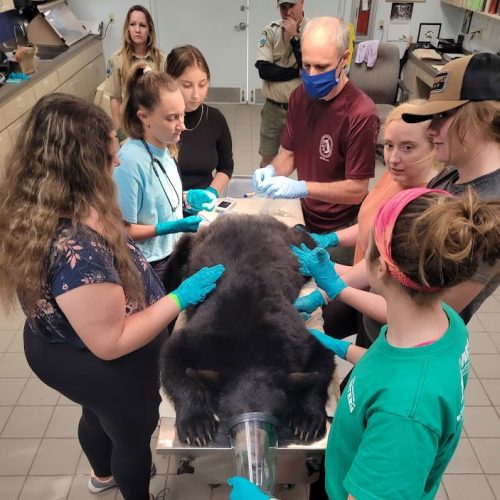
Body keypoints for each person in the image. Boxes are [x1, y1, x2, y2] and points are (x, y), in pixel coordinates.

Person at [0, 93, 225, 500]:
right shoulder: (76, 251)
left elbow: (120, 230)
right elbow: (111, 342)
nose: (117, 161)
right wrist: (179, 296)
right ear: (78, 168)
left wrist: (182, 207)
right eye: (108, 156)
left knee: (97, 410)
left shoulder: (55, 201)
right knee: (132, 431)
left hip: (67, 344)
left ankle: (102, 475)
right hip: (99, 356)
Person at [229, 187, 500, 499]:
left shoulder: (403, 414)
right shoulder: (445, 324)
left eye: (367, 241)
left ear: (380, 267)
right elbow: (392, 364)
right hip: (352, 464)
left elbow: (402, 394)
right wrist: (334, 343)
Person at [296, 100, 443, 338]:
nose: (393, 158)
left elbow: (377, 265)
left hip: (384, 306)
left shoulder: (421, 207)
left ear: (434, 147)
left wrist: (326, 288)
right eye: (389, 145)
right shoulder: (396, 176)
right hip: (363, 282)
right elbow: (370, 224)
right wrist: (328, 239)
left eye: (408, 148)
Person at [253, 17, 379, 265]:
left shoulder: (360, 113)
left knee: (325, 291)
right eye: (306, 65)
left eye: (321, 67)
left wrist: (303, 187)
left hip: (340, 229)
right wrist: (270, 171)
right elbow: (288, 155)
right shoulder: (300, 97)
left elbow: (356, 190)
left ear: (344, 59)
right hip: (304, 215)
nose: (311, 75)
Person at [114, 63, 218, 287]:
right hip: (148, 265)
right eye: (171, 118)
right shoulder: (129, 163)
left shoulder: (165, 147)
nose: (181, 125)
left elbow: (154, 198)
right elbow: (121, 230)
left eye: (182, 115)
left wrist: (186, 198)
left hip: (172, 252)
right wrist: (167, 228)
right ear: (144, 117)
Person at [165, 45, 234, 195]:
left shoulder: (215, 120)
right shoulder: (159, 122)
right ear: (170, 81)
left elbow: (226, 167)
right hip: (166, 206)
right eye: (187, 85)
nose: (196, 94)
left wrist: (210, 192)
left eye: (202, 84)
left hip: (202, 208)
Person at [255, 0, 309, 167]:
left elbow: (309, 69)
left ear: (302, 2)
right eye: (283, 7)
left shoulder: (314, 31)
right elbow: (264, 70)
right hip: (273, 108)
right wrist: (296, 72)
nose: (287, 12)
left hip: (303, 109)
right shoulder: (270, 31)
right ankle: (264, 193)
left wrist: (294, 38)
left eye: (291, 6)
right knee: (267, 158)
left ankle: (303, 192)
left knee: (303, 158)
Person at [104, 5, 166, 140]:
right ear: (127, 28)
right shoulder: (116, 60)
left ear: (149, 30)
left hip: (154, 122)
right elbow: (115, 98)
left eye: (142, 25)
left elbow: (166, 95)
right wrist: (119, 131)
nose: (137, 30)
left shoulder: (161, 59)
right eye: (133, 24)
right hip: (130, 123)